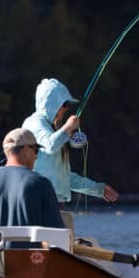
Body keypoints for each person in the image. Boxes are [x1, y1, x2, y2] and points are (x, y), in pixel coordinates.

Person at [21, 78, 119, 208]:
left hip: (54, 203)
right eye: (64, 104)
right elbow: (49, 145)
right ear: (51, 103)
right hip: (38, 202)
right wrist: (68, 127)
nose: (67, 108)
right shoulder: (34, 122)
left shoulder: (53, 130)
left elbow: (65, 178)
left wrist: (98, 189)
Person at [0, 128, 64, 232]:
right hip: (31, 249)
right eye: (36, 150)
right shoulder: (42, 184)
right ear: (26, 150)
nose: (36, 157)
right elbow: (57, 233)